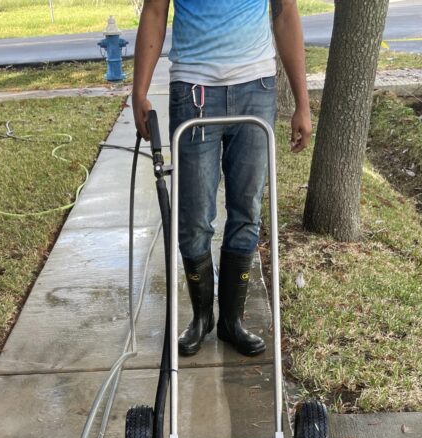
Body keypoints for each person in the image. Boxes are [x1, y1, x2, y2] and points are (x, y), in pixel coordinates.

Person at [132, 0, 311, 357]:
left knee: (247, 211)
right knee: (195, 218)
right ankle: (202, 318)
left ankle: (232, 320)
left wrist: (302, 103)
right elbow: (154, 11)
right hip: (193, 91)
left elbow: (285, 13)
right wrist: (140, 90)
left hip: (255, 88)